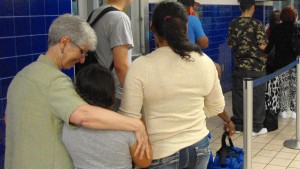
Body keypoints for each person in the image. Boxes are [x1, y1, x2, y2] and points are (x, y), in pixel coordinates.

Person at [4, 14, 149, 169]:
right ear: (65, 42)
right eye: (82, 51)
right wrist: (136, 125)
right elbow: (84, 116)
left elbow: (8, 119)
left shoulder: (22, 76)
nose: (82, 60)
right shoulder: (54, 81)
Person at [120, 2, 235, 169]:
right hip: (199, 148)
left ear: (152, 28)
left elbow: (130, 117)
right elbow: (217, 106)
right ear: (186, 28)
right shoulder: (204, 61)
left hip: (160, 151)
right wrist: (188, 113)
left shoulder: (141, 66)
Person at [62, 64, 152, 169]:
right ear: (112, 96)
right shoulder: (127, 129)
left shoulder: (68, 127)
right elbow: (145, 162)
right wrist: (140, 121)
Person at [228, 0, 268, 136]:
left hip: (239, 66)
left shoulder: (233, 23)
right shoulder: (257, 24)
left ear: (240, 7)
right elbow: (263, 46)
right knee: (257, 96)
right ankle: (256, 127)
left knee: (238, 95)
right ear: (253, 7)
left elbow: (231, 45)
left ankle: (239, 125)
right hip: (256, 67)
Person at [89, 0, 133, 111]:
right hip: (115, 93)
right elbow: (120, 66)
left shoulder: (96, 13)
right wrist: (133, 95)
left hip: (98, 87)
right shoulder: (120, 18)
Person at [265, 7, 299, 119]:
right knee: (294, 85)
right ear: (293, 17)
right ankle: (295, 111)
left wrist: (263, 55)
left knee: (283, 86)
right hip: (295, 62)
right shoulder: (297, 29)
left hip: (280, 62)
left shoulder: (276, 29)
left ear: (282, 17)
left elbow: (269, 47)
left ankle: (283, 110)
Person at [264, 10, 281, 132]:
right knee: (275, 89)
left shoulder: (268, 29)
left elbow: (266, 48)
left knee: (269, 89)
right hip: (278, 64)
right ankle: (274, 111)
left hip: (269, 64)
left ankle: (269, 110)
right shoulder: (279, 29)